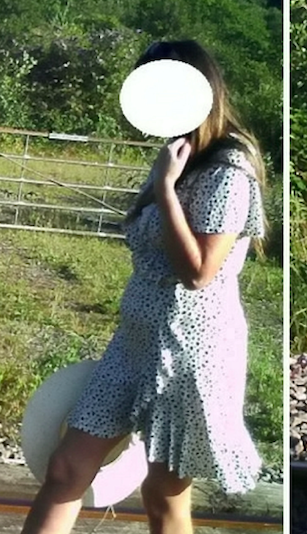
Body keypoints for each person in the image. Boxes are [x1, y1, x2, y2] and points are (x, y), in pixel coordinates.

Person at [20, 40, 269, 534]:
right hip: (134, 342)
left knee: (164, 494)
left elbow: (198, 272)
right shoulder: (181, 155)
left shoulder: (228, 169)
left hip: (189, 352)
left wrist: (165, 189)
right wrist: (166, 180)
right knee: (67, 466)